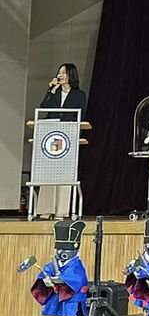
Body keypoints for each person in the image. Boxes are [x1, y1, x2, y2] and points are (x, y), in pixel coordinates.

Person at [36, 63, 88, 219]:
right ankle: (46, 209)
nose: (60, 75)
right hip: (51, 135)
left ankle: (62, 210)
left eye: (63, 73)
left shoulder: (79, 94)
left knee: (65, 174)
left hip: (68, 136)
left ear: (71, 75)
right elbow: (43, 109)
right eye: (59, 73)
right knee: (48, 173)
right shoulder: (54, 92)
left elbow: (81, 115)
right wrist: (51, 90)